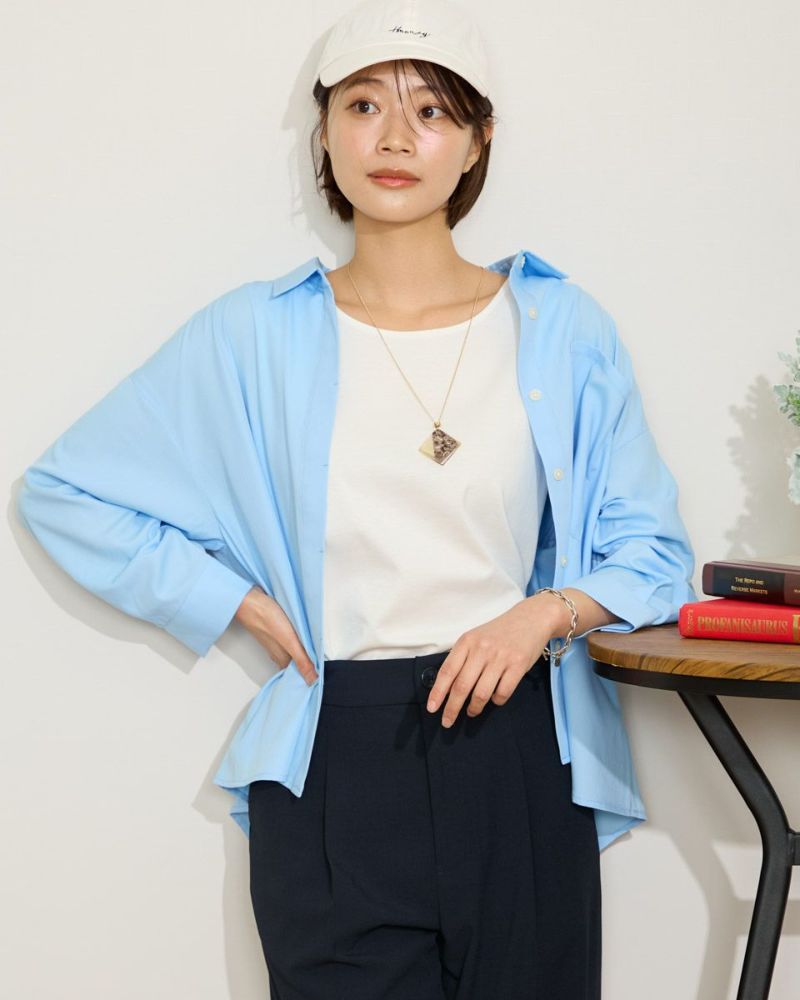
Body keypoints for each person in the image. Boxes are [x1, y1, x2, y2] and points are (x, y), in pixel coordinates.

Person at [16, 0, 698, 996]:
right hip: (336, 750)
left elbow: (654, 554)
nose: (393, 137)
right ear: (326, 133)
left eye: (432, 111)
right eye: (364, 105)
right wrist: (228, 600)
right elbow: (65, 489)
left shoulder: (560, 326)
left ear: (477, 142)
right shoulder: (254, 334)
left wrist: (538, 616)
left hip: (516, 744)